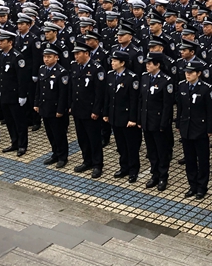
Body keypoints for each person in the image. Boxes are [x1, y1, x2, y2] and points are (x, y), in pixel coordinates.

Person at [176, 59, 212, 199]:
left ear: (198, 73)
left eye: (191, 72)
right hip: (186, 128)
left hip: (200, 128)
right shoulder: (182, 86)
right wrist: (178, 124)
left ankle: (202, 187)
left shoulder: (206, 88)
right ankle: (192, 185)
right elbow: (180, 108)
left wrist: (210, 128)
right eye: (186, 72)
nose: (187, 75)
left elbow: (211, 111)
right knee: (190, 159)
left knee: (203, 159)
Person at [139, 53, 174, 190]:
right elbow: (141, 100)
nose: (147, 65)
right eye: (146, 63)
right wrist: (140, 119)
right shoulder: (144, 77)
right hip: (147, 121)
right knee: (151, 151)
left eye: (150, 63)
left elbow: (167, 105)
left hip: (159, 122)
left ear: (158, 65)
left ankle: (163, 177)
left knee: (162, 151)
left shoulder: (166, 80)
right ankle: (154, 174)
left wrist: (164, 124)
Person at [69, 45, 106, 178]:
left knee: (94, 139)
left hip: (90, 111)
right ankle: (87, 160)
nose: (75, 57)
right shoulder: (74, 66)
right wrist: (71, 105)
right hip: (78, 109)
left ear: (86, 53)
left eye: (78, 54)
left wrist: (96, 110)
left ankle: (97, 164)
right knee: (82, 138)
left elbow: (99, 93)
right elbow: (72, 88)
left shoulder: (97, 68)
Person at [105, 49, 141, 182]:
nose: (112, 63)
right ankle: (124, 167)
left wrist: (133, 118)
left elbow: (134, 100)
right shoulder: (110, 75)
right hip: (115, 116)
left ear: (122, 63)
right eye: (112, 60)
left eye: (115, 61)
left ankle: (133, 170)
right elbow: (107, 97)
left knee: (131, 146)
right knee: (120, 145)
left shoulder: (132, 78)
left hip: (127, 118)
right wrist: (106, 113)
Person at [34, 47, 70, 168]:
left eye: (49, 57)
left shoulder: (62, 72)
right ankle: (55, 153)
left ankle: (62, 156)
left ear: (56, 57)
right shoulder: (42, 69)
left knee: (59, 134)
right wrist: (36, 103)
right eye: (45, 57)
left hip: (55, 109)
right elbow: (39, 89)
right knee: (50, 133)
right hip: (45, 107)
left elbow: (63, 94)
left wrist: (60, 110)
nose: (46, 59)